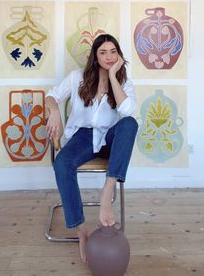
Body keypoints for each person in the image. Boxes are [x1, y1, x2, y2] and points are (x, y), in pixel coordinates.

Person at [45, 34, 138, 263]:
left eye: (113, 51)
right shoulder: (78, 77)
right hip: (82, 137)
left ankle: (107, 191)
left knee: (130, 123)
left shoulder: (124, 81)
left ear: (119, 55)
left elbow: (127, 111)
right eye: (103, 52)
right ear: (95, 57)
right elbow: (52, 96)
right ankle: (81, 230)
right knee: (62, 163)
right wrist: (55, 110)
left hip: (110, 139)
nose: (109, 56)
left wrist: (114, 77)